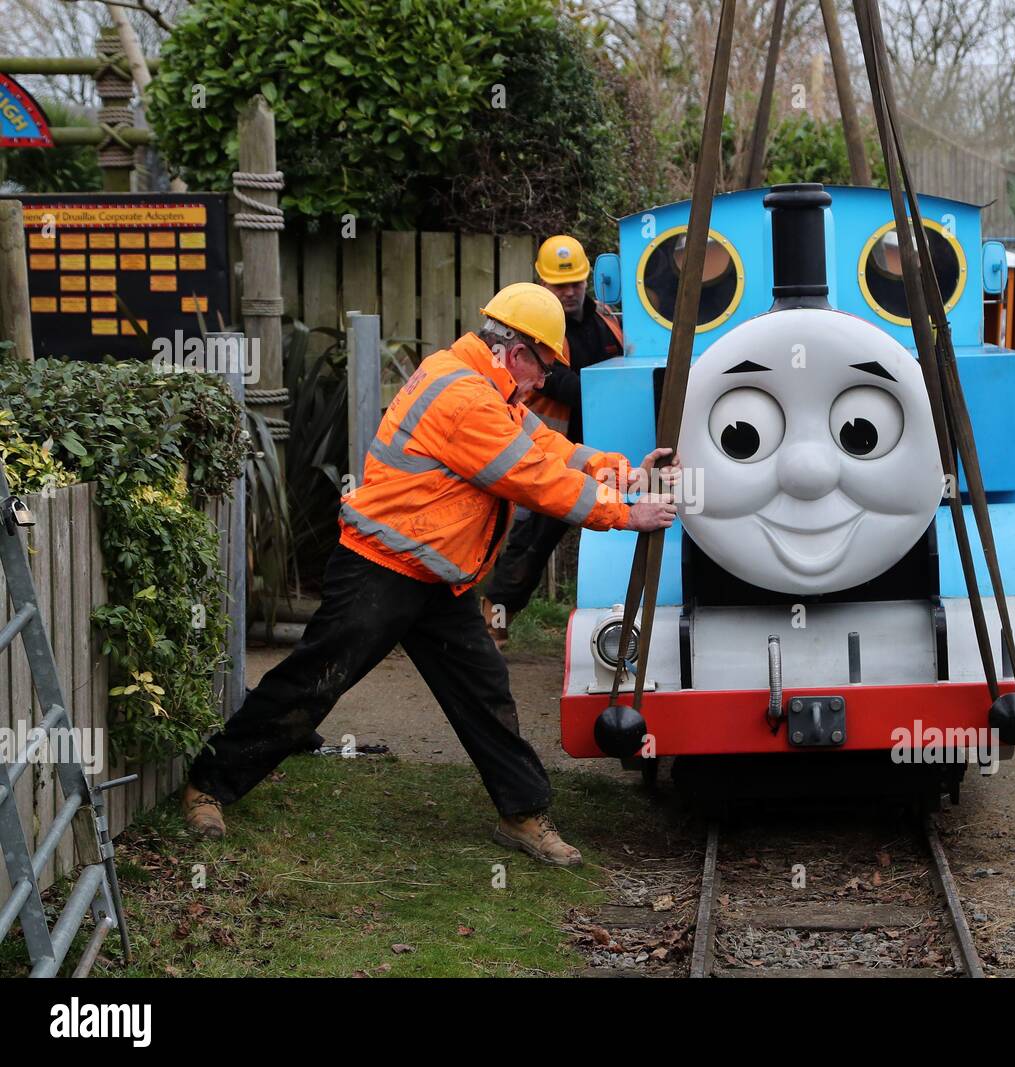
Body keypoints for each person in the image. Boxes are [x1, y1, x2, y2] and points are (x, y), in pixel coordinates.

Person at [181, 282, 679, 867]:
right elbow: (534, 480)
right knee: (315, 680)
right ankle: (207, 786)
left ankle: (522, 815)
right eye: (544, 366)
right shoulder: (466, 398)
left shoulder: (484, 384)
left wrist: (621, 471)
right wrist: (626, 514)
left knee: (484, 693)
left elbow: (548, 448)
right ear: (515, 353)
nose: (546, 381)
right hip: (382, 567)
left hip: (436, 574)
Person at [479, 235, 624, 646]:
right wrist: (616, 387)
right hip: (550, 453)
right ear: (543, 284)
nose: (570, 291)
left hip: (604, 452)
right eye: (561, 285)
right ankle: (493, 626)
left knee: (623, 534)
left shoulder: (607, 321)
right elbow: (562, 385)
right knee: (529, 545)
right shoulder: (537, 333)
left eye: (577, 282)